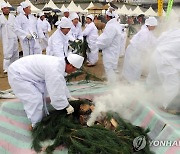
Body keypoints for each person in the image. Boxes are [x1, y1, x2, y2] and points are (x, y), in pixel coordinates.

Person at [8, 53, 84, 128]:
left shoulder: (59, 64)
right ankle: (36, 125)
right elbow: (56, 91)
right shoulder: (55, 69)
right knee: (35, 99)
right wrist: (66, 106)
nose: (73, 72)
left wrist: (68, 97)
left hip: (28, 73)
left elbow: (60, 83)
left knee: (42, 93)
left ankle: (40, 117)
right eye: (75, 69)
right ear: (71, 66)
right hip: (18, 74)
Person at [146, 29, 180, 112]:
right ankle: (165, 106)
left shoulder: (176, 30)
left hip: (156, 54)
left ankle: (147, 96)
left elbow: (160, 38)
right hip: (167, 59)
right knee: (173, 84)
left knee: (154, 80)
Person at [122, 17, 158, 83]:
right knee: (135, 67)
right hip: (134, 51)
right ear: (150, 25)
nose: (155, 28)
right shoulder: (144, 33)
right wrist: (149, 51)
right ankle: (133, 83)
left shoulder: (148, 31)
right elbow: (143, 45)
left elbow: (153, 41)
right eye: (154, 26)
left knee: (135, 67)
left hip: (136, 51)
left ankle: (132, 81)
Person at [96, 9, 122, 83]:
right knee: (113, 67)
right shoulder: (116, 25)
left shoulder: (111, 26)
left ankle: (112, 85)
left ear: (107, 16)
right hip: (114, 50)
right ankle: (114, 83)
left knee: (109, 67)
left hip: (110, 51)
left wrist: (97, 44)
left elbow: (106, 40)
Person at [0, 2, 19, 73]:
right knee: (7, 52)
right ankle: (6, 68)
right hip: (6, 38)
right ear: (2, 9)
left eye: (7, 8)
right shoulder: (0, 18)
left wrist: (18, 36)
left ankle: (15, 66)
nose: (7, 9)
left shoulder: (13, 17)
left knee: (15, 52)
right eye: (5, 8)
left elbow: (16, 27)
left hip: (14, 37)